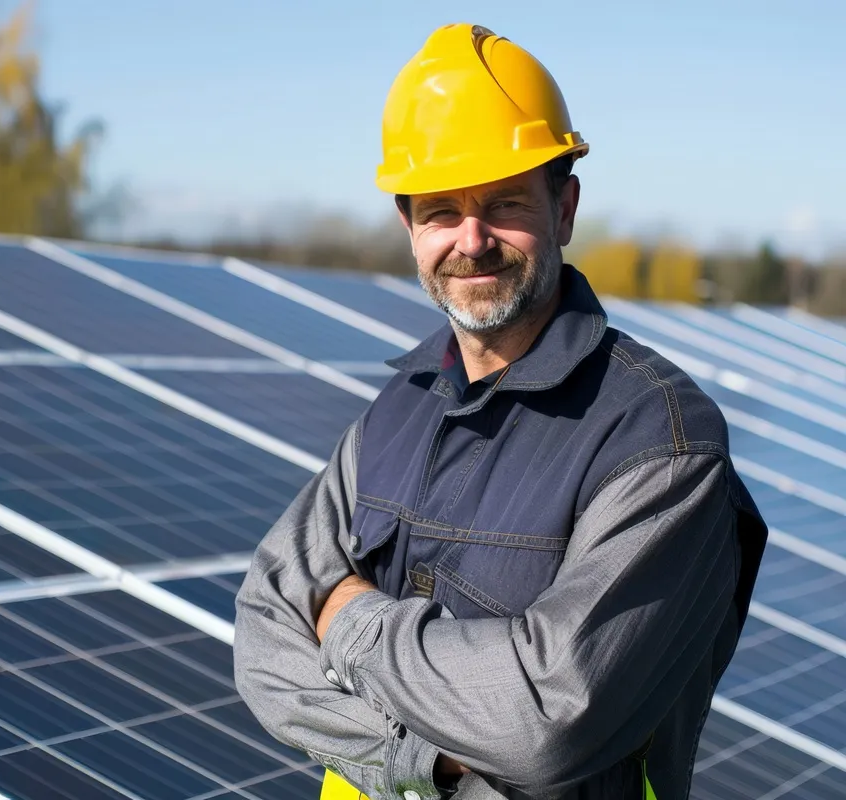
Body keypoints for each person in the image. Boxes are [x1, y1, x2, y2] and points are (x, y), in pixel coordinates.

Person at [233, 22, 768, 800]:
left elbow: (548, 722)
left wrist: (346, 621)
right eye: (441, 211)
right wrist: (427, 753)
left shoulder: (661, 440)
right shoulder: (395, 413)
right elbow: (263, 627)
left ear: (565, 207)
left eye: (505, 203)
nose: (471, 239)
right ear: (409, 228)